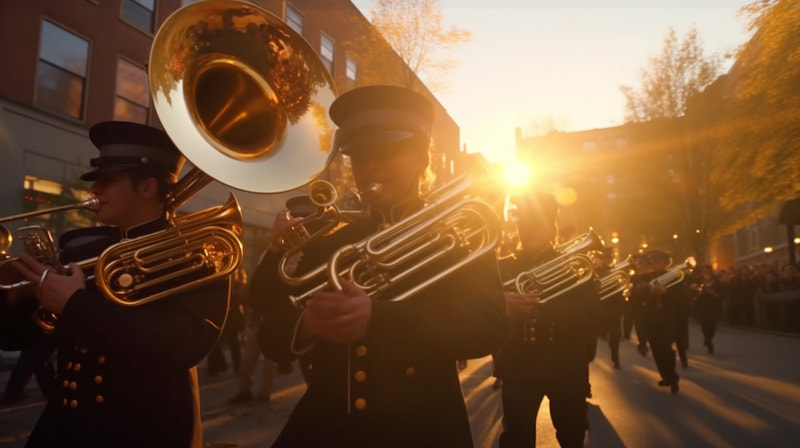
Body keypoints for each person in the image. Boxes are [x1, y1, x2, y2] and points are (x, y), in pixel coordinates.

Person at [254, 85, 509, 447]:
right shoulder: (333, 241)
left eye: (387, 151)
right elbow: (270, 334)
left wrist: (379, 317)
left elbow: (489, 327)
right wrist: (307, 323)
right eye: (359, 156)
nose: (370, 167)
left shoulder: (461, 231)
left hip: (423, 429)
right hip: (330, 426)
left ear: (423, 157)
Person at [9, 121, 230, 447]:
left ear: (148, 186)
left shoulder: (200, 252)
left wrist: (74, 305)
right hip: (65, 427)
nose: (94, 190)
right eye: (96, 180)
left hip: (144, 430)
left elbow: (185, 345)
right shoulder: (82, 249)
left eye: (108, 180)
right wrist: (22, 299)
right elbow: (17, 338)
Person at [493, 192, 600, 448]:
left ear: (552, 230)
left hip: (565, 364)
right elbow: (482, 309)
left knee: (572, 433)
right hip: (518, 365)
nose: (528, 232)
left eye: (537, 226)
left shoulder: (574, 265)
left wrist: (543, 304)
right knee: (517, 437)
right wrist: (503, 304)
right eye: (523, 226)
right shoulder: (502, 267)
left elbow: (591, 315)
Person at [631, 250, 685, 394]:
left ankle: (672, 376)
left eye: (658, 262)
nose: (655, 264)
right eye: (653, 262)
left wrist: (665, 292)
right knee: (656, 348)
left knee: (665, 347)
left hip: (667, 317)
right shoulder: (645, 277)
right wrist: (644, 290)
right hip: (650, 317)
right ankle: (666, 375)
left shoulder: (674, 277)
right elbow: (635, 298)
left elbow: (681, 298)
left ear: (665, 263)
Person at [691, 265, 722, 354]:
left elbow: (721, 292)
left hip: (712, 304)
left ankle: (709, 339)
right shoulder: (698, 279)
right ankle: (708, 340)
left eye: (707, 270)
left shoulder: (716, 280)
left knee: (711, 325)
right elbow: (692, 290)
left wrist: (714, 292)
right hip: (702, 304)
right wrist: (694, 290)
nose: (706, 272)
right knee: (704, 324)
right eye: (704, 270)